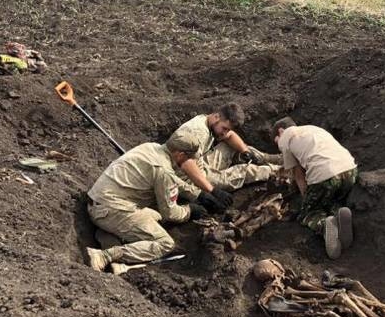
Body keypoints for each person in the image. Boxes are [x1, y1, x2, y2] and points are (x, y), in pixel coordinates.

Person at [84, 135, 207, 272]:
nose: (189, 162)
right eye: (188, 158)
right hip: (110, 210)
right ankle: (104, 256)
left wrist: (195, 193)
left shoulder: (151, 147)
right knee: (165, 243)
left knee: (155, 216)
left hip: (98, 201)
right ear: (180, 154)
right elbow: (170, 213)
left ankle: (106, 236)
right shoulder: (164, 170)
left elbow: (170, 180)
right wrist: (189, 211)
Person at [271, 117, 358, 259]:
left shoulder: (285, 138)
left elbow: (298, 177)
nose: (278, 146)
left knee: (309, 212)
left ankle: (324, 224)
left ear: (281, 131)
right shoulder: (313, 129)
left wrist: (306, 199)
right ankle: (338, 212)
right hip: (350, 171)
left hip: (325, 177)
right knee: (331, 199)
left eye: (276, 141)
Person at [169, 103, 281, 210]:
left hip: (198, 161)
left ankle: (270, 158)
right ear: (217, 116)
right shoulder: (199, 133)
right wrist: (212, 190)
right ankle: (278, 170)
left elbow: (229, 136)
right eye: (224, 128)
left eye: (227, 129)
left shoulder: (208, 121)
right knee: (244, 171)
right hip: (187, 176)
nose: (225, 133)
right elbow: (186, 164)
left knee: (233, 147)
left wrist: (245, 151)